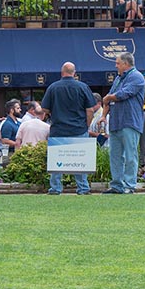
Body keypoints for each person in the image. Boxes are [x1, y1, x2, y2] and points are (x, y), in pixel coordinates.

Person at [41, 62, 95, 195]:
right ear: (74, 73)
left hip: (58, 129)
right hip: (79, 129)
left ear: (62, 72)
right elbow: (90, 110)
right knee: (80, 160)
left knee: (56, 160)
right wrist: (87, 125)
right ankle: (83, 188)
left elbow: (44, 108)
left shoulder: (53, 88)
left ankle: (55, 188)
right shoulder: (83, 87)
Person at [102, 51, 145, 194]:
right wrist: (104, 115)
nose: (116, 66)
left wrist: (109, 98)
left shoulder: (137, 77)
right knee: (115, 155)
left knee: (130, 156)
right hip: (115, 122)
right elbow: (109, 98)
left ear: (126, 64)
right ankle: (117, 185)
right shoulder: (118, 78)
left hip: (130, 122)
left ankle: (129, 186)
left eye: (118, 63)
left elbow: (123, 94)